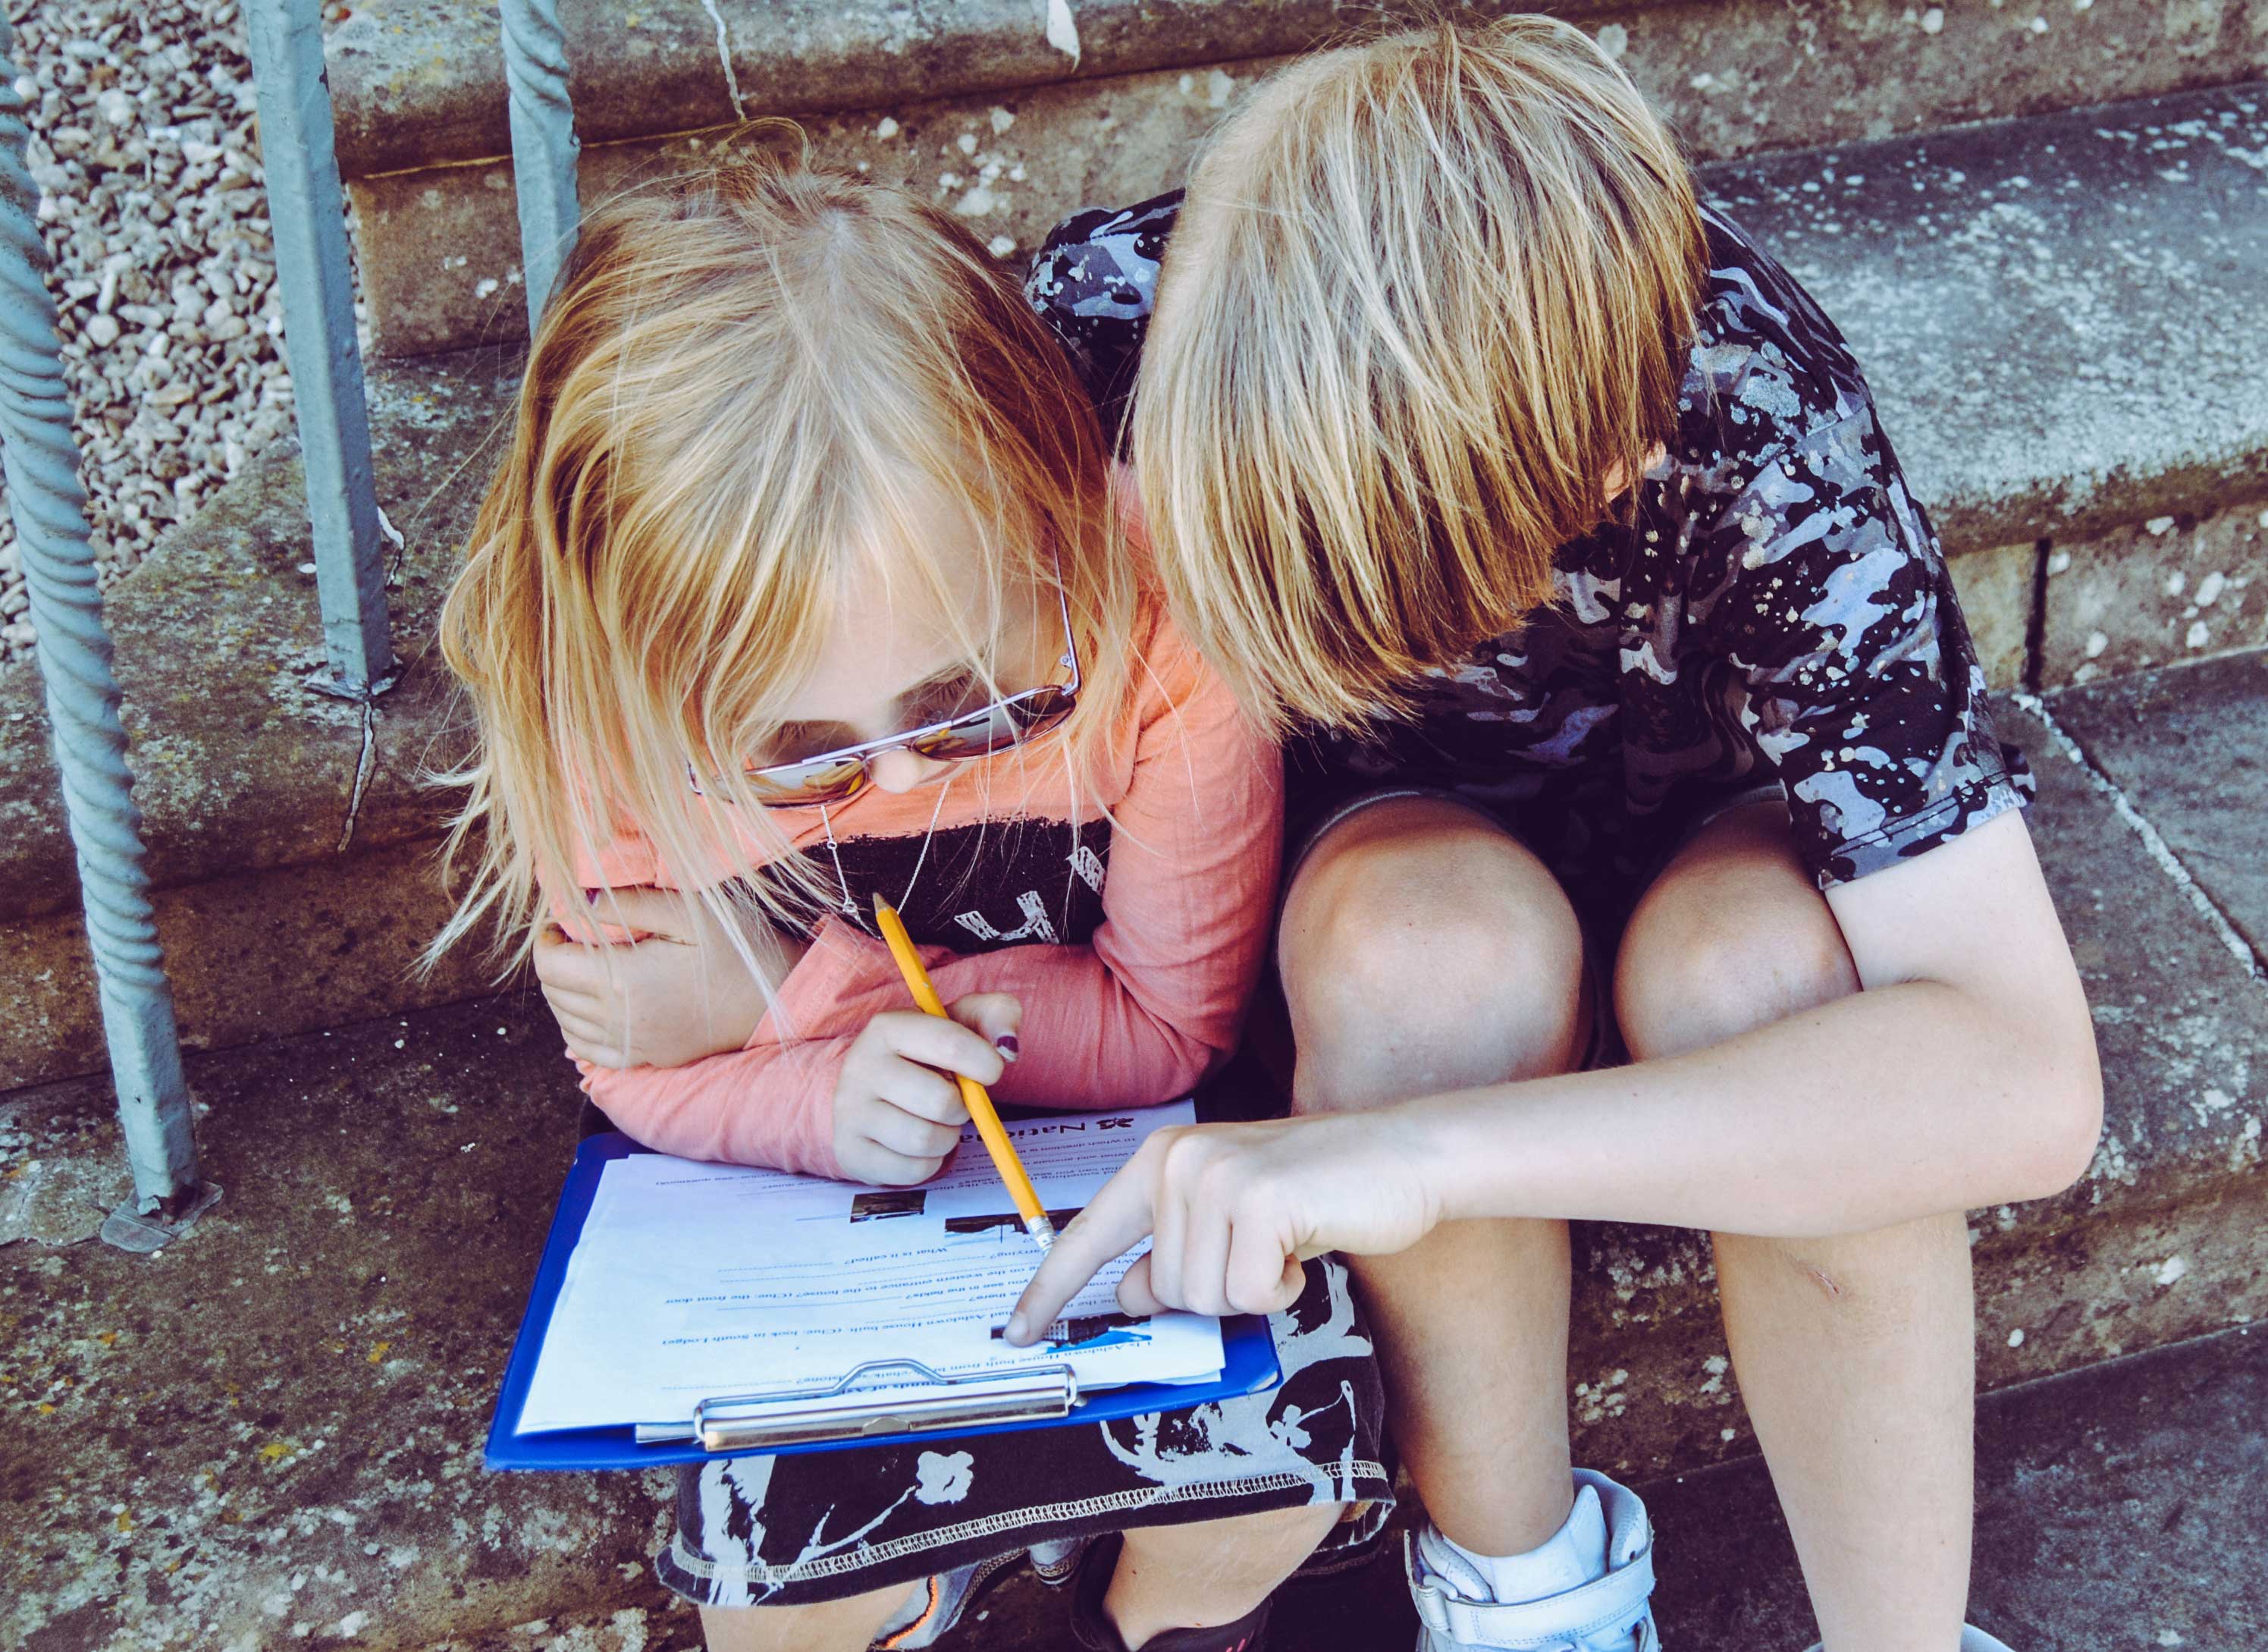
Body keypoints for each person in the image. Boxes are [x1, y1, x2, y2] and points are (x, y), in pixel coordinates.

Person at [1008, 20, 2102, 1652]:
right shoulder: (1111, 323)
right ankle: (1526, 1597)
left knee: (1767, 981)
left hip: (1711, 839)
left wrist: (1417, 1156)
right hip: (1379, 875)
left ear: (1606, 460)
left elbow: (2023, 1081)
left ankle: (1901, 1638)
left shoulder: (1746, 414)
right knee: (1425, 959)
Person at [433, 155, 1389, 1652]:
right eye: (799, 761)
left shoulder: (1161, 623)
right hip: (807, 1232)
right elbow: (634, 1064)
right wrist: (815, 1095)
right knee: (780, 1605)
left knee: (1269, 1481)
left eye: (971, 708)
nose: (906, 777)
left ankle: (1141, 1626)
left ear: (1064, 520)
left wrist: (787, 990)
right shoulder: (597, 712)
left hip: (1135, 1168)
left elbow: (1163, 1034)